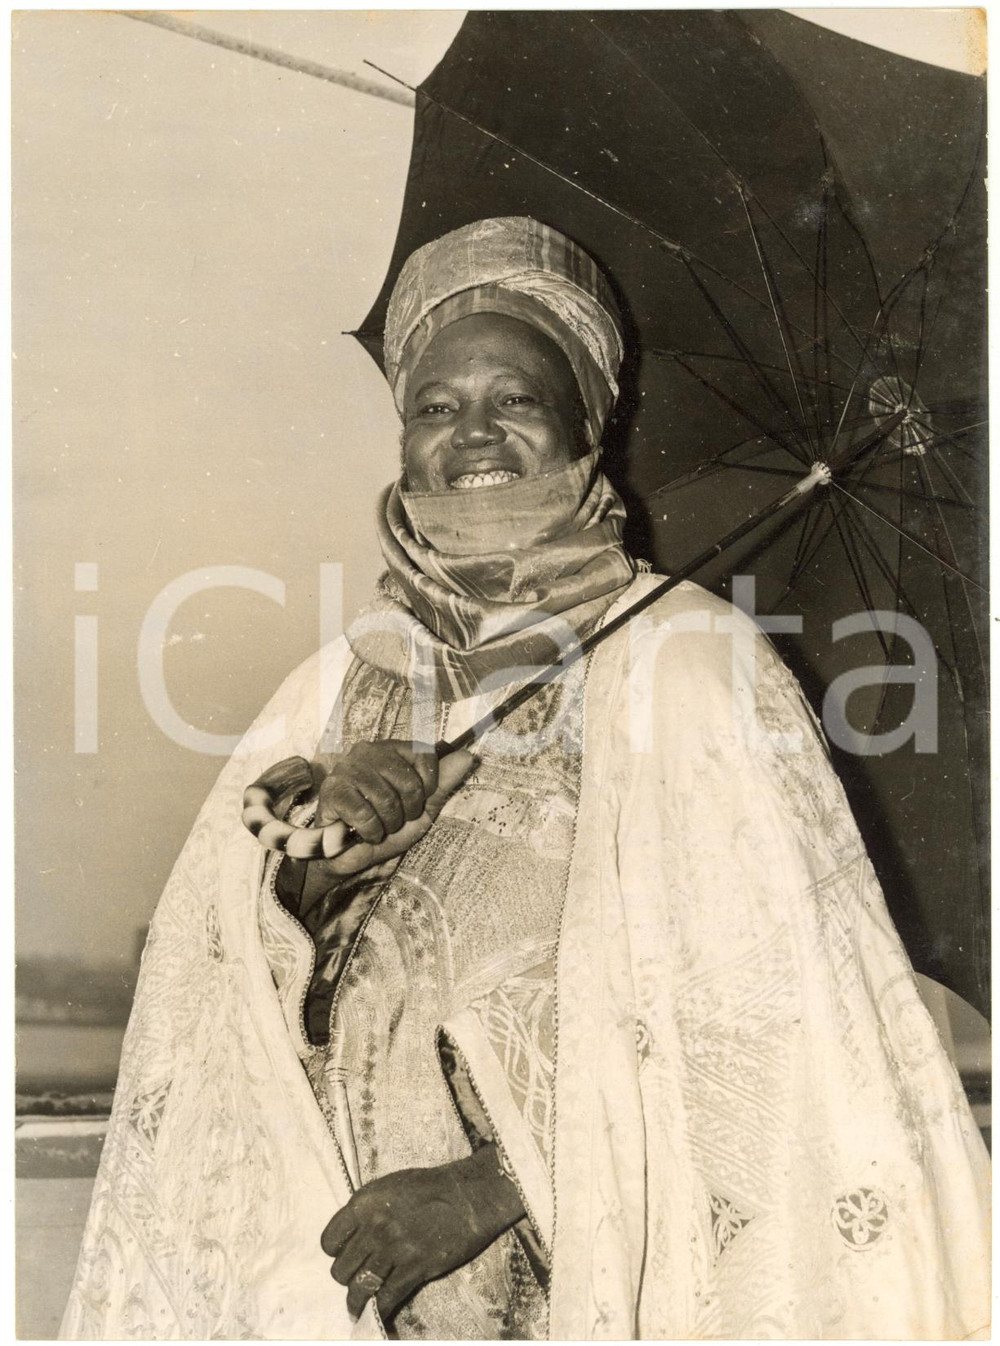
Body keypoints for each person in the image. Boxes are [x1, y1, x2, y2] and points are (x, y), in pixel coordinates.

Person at [62, 217, 989, 1341]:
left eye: (516, 398)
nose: (475, 432)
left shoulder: (685, 660)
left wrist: (491, 1182)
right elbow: (219, 998)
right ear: (403, 438)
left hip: (569, 1280)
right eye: (438, 405)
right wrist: (319, 863)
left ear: (585, 427)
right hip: (341, 1278)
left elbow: (761, 1029)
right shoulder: (336, 684)